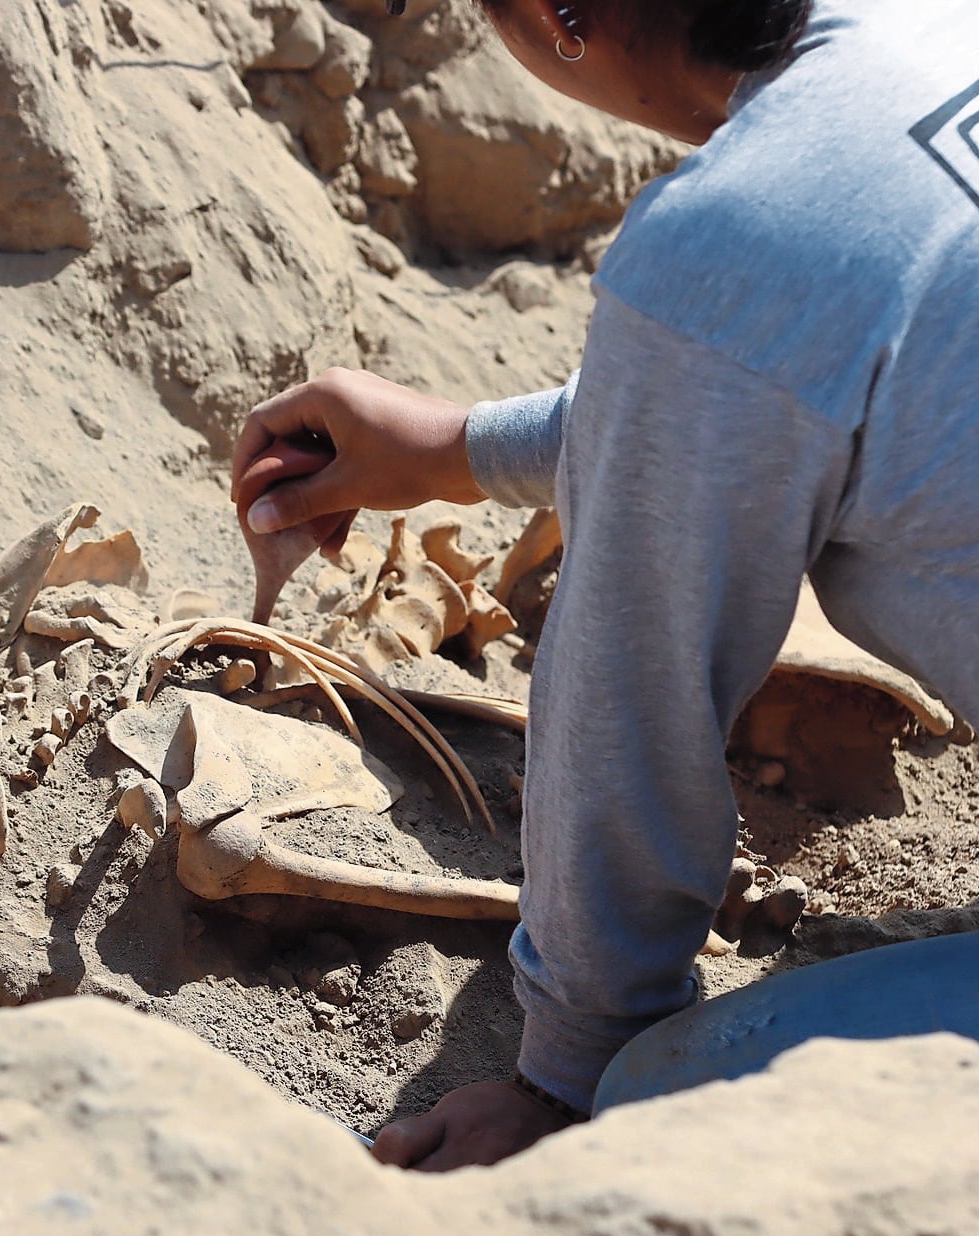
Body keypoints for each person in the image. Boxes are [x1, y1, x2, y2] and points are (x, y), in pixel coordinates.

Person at [232, 0, 979, 1170]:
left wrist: (570, 1072)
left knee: (656, 1110)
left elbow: (629, 706)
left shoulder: (732, 237)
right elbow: (790, 383)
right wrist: (454, 450)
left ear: (549, 15)